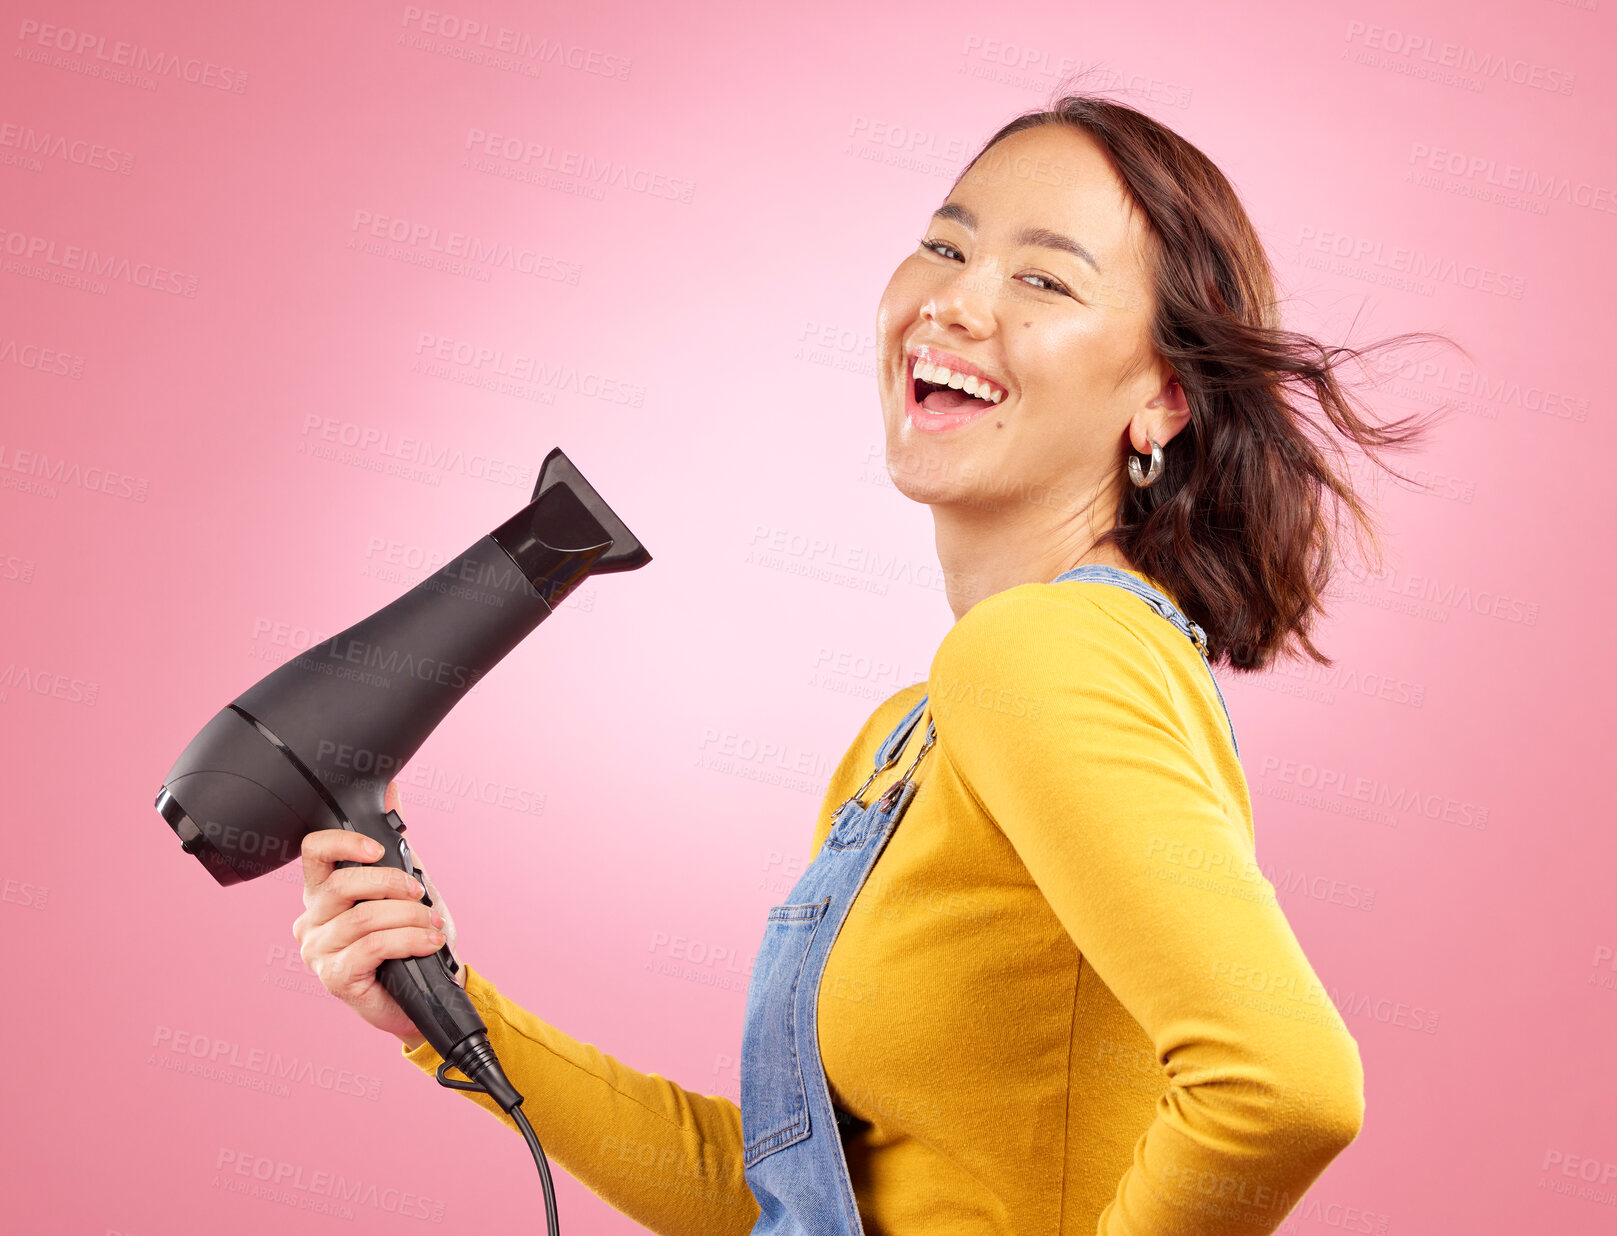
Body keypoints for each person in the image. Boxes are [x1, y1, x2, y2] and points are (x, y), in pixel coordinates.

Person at [292, 89, 1455, 1235]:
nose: (954, 299)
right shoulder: (914, 730)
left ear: (1162, 397)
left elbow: (1285, 1087)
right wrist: (445, 1012)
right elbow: (781, 1198)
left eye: (1043, 278)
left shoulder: (1045, 654)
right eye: (945, 246)